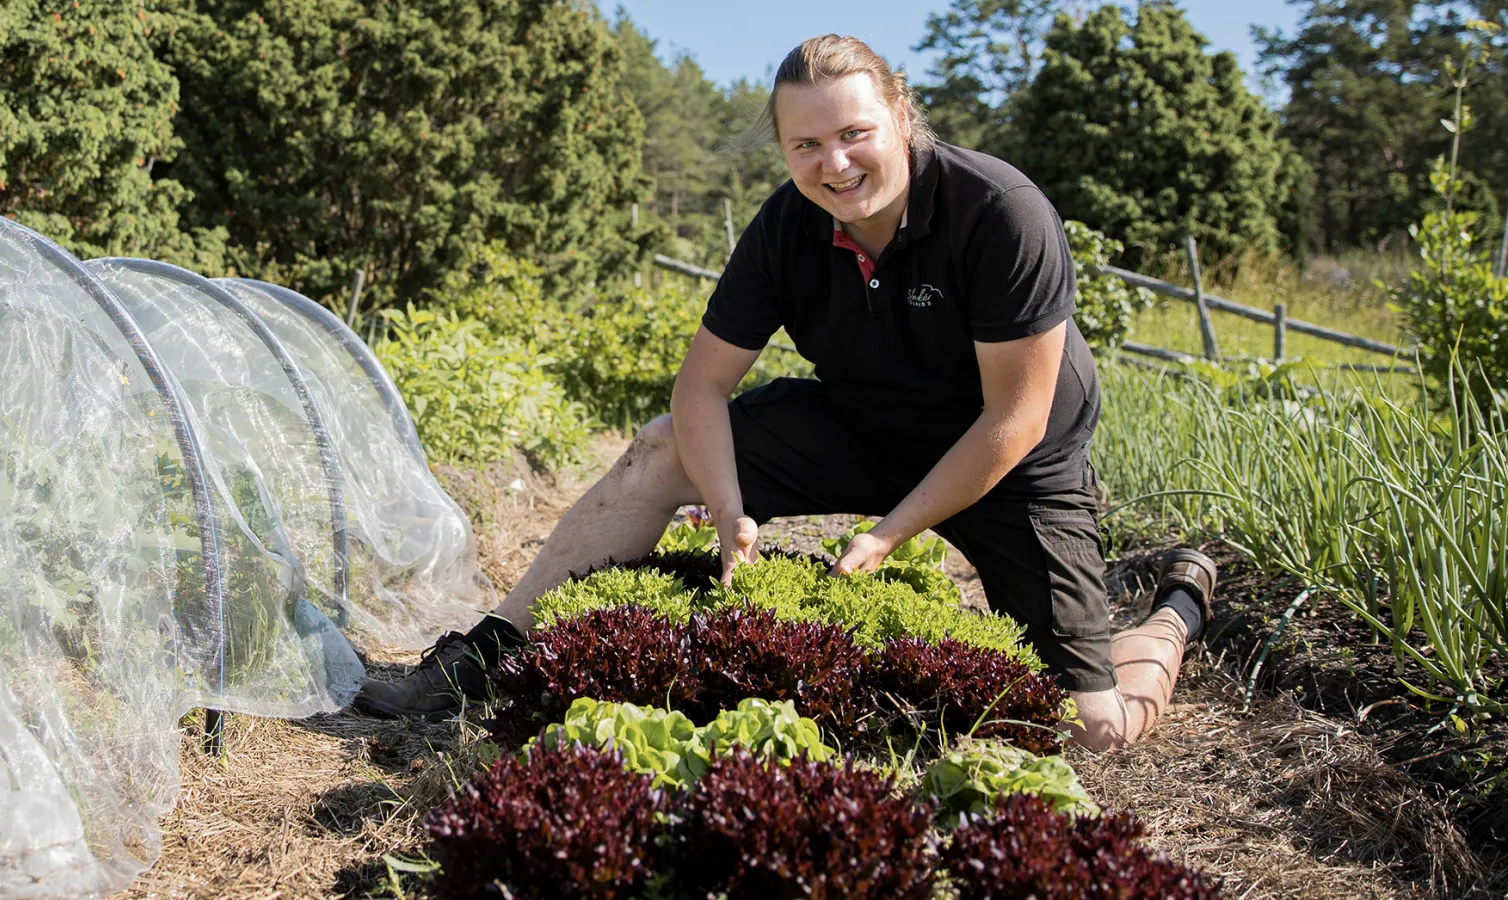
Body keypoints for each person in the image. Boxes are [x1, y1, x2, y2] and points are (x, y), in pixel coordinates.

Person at [354, 34, 1218, 752]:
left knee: (1092, 728)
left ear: (902, 116)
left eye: (855, 134)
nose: (834, 164)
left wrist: (885, 536)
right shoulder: (786, 227)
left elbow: (1015, 417)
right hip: (865, 420)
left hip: (1011, 458)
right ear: (782, 149)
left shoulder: (999, 213)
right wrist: (728, 508)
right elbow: (700, 387)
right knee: (663, 448)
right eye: (805, 145)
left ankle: (1174, 613)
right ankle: (489, 650)